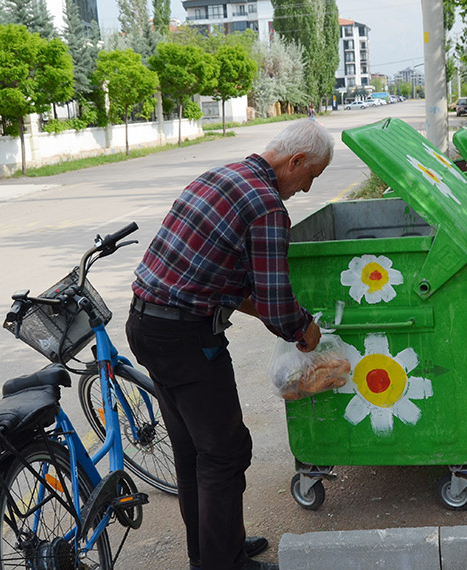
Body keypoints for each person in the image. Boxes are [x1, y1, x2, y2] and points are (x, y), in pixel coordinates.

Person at [126, 119, 332, 570]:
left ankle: (212, 552)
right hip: (185, 337)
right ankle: (224, 563)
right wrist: (305, 330)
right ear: (295, 162)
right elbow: (277, 308)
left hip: (145, 325)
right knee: (224, 451)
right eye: (310, 177)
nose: (306, 189)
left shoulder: (219, 176)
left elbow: (225, 283)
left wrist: (276, 313)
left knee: (192, 450)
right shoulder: (266, 206)